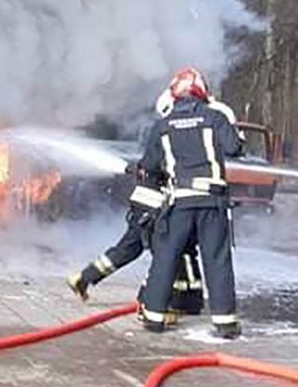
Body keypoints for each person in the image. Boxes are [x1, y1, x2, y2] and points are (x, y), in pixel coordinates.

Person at [66, 90, 205, 321]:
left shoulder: (162, 131)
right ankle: (150, 301)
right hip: (154, 206)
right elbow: (162, 165)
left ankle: (83, 278)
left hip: (144, 204)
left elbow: (151, 164)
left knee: (128, 249)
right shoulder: (168, 132)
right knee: (165, 253)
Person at [138, 67, 244, 338]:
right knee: (217, 260)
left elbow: (150, 165)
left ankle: (153, 318)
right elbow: (235, 148)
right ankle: (225, 324)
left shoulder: (163, 125)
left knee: (166, 257)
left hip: (179, 204)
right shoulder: (214, 117)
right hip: (212, 203)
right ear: (201, 92)